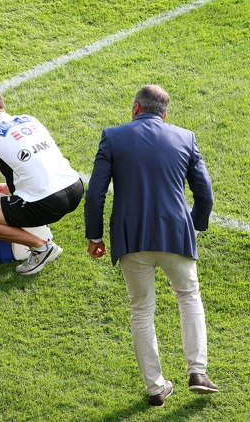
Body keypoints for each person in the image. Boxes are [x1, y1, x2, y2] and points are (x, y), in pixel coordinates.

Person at [84, 85, 218, 407]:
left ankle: (156, 389)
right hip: (175, 234)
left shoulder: (113, 137)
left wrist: (96, 237)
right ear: (165, 114)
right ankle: (197, 372)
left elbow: (95, 194)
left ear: (135, 109)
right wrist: (193, 227)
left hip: (132, 240)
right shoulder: (185, 138)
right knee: (188, 297)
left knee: (141, 309)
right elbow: (205, 194)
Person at [0, 87, 83, 275]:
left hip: (46, 202)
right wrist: (9, 187)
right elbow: (37, 163)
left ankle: (42, 247)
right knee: (22, 199)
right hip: (75, 188)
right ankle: (37, 224)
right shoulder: (30, 119)